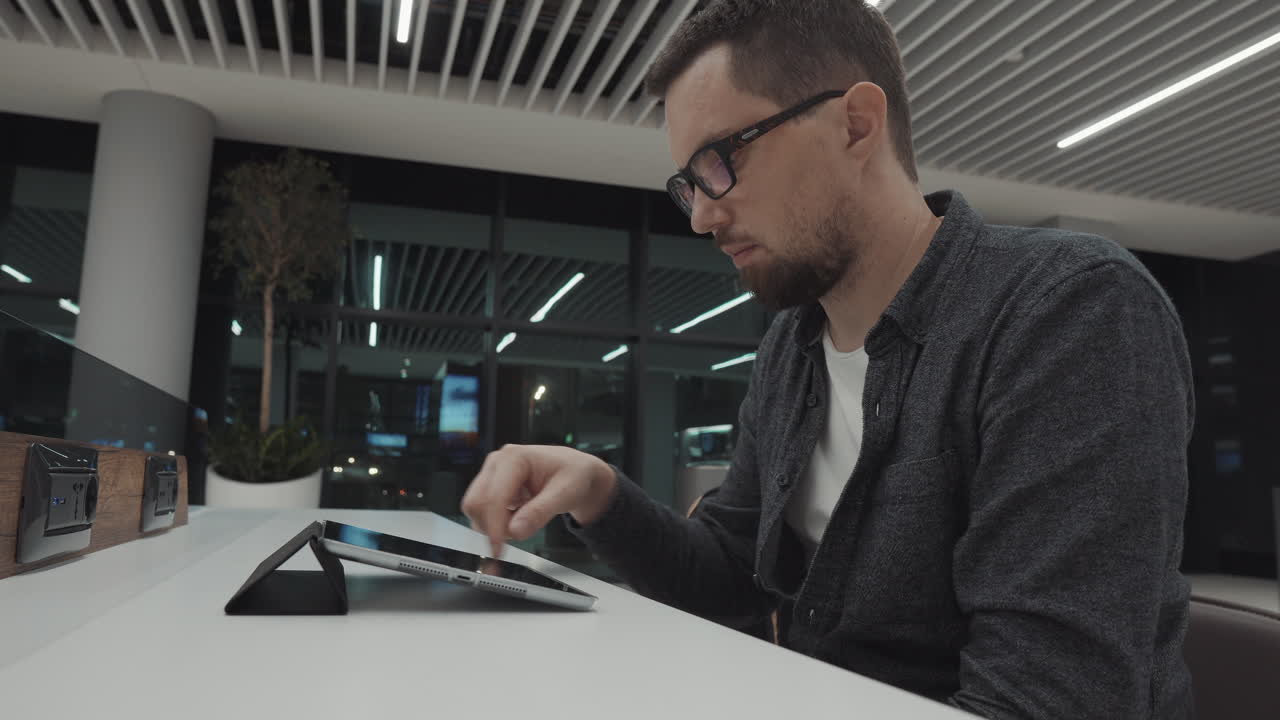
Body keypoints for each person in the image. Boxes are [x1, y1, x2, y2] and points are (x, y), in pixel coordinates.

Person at [462, 1, 1194, 717]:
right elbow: (729, 577)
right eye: (688, 182)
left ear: (856, 124)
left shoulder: (1066, 311)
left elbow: (1050, 697)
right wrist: (598, 492)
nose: (703, 215)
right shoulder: (793, 346)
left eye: (723, 160)